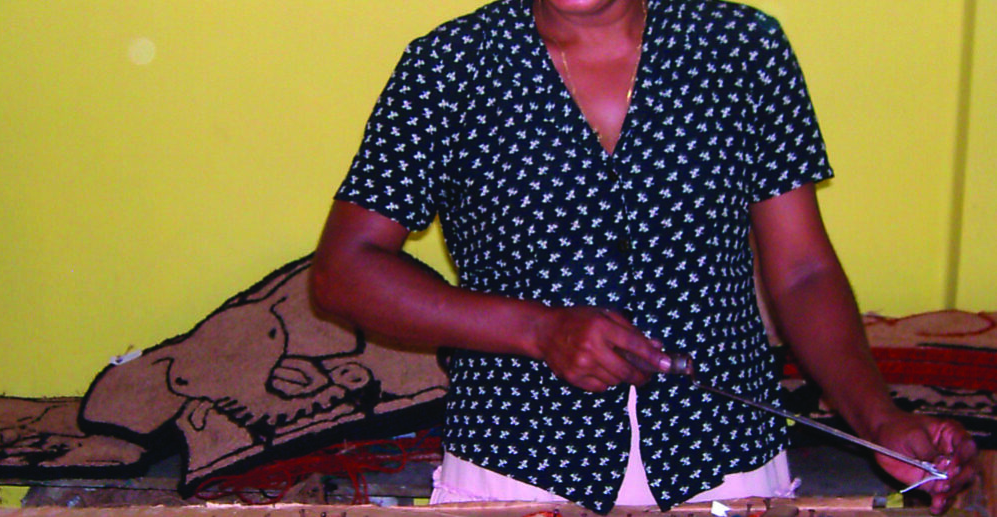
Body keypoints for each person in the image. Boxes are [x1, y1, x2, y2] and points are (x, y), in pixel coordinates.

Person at [309, 0, 977, 513]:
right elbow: (345, 272)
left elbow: (804, 271)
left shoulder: (742, 50)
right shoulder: (450, 67)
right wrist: (539, 329)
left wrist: (880, 420)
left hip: (728, 466)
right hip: (516, 466)